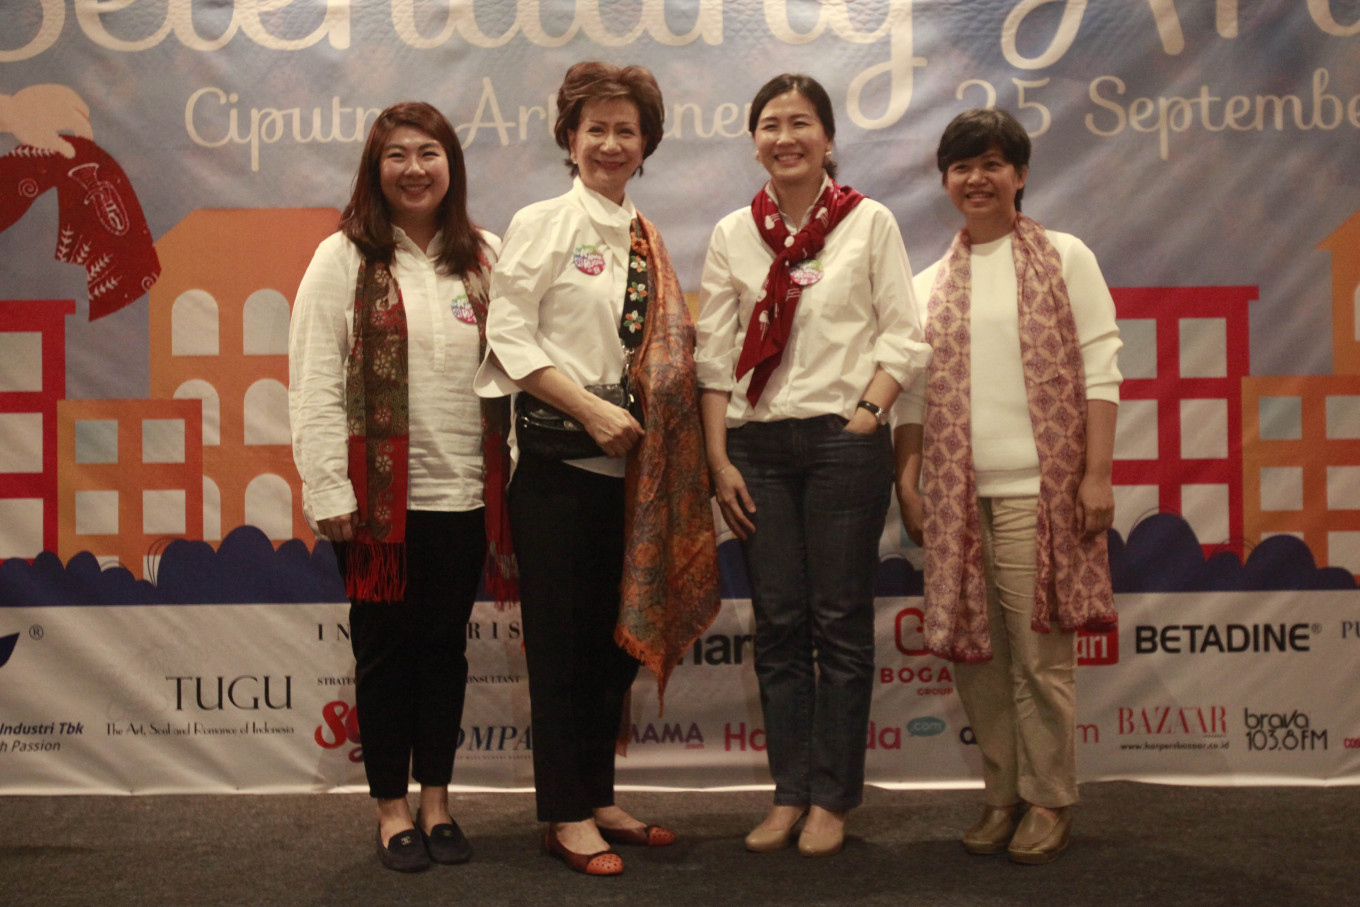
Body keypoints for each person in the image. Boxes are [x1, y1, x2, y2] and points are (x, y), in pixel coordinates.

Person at [476, 62, 719, 877]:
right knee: (562, 647)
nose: (611, 143)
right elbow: (509, 338)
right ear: (569, 140)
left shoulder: (645, 237)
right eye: (596, 129)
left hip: (639, 482)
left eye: (627, 130)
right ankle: (564, 813)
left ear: (646, 143)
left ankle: (597, 792)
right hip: (558, 469)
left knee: (616, 643)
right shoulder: (544, 222)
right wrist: (590, 408)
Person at [695, 73, 930, 858]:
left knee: (839, 621)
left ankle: (833, 797)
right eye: (769, 124)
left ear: (828, 139)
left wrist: (867, 414)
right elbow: (716, 353)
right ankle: (788, 791)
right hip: (757, 447)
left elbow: (904, 336)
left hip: (841, 444)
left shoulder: (869, 223)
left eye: (801, 123)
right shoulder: (736, 231)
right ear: (754, 140)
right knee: (781, 625)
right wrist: (718, 453)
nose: (785, 136)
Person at [289, 101, 516, 873]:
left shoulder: (484, 254)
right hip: (376, 508)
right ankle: (391, 807)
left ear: (451, 164)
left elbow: (514, 372)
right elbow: (314, 380)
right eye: (397, 155)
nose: (414, 168)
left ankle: (438, 799)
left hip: (464, 499)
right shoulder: (343, 257)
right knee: (384, 654)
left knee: (444, 652)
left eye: (429, 152)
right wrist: (327, 485)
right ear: (375, 169)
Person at [894, 107, 1121, 865]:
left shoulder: (1065, 257)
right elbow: (915, 396)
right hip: (958, 501)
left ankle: (1051, 798)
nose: (977, 179)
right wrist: (910, 481)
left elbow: (1101, 367)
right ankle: (1004, 793)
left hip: (1041, 495)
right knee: (977, 658)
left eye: (992, 164)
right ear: (947, 182)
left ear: (1019, 174)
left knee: (1038, 658)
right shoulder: (929, 283)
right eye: (962, 167)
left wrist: (1095, 473)